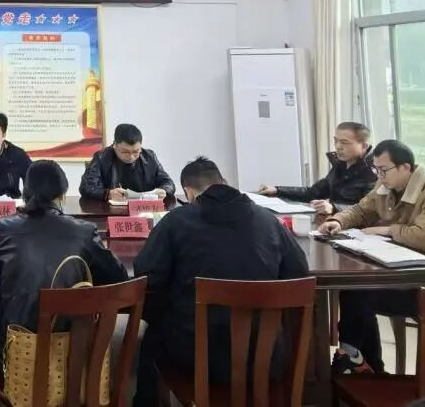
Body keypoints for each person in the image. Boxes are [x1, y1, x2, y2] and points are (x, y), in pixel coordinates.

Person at [132, 157, 309, 407]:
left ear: (188, 192)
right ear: (224, 182)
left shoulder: (176, 221)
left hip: (195, 357)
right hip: (265, 356)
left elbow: (146, 277)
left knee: (150, 337)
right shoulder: (268, 220)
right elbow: (299, 273)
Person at [0, 160, 128, 357]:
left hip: (16, 348)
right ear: (63, 195)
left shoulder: (6, 228)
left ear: (25, 194)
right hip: (72, 351)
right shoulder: (84, 232)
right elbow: (118, 277)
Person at [318, 139, 425, 374]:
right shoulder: (386, 186)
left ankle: (357, 361)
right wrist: (338, 221)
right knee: (357, 289)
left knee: (361, 293)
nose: (379, 176)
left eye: (384, 170)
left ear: (406, 167)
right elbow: (362, 209)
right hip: (410, 272)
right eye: (376, 170)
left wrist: (386, 230)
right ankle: (361, 361)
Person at [258, 121, 376, 214]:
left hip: (358, 229)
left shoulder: (375, 170)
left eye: (344, 142)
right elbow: (314, 193)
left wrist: (333, 208)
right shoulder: (341, 164)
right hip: (337, 222)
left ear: (363, 146)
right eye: (336, 141)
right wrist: (277, 190)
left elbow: (368, 210)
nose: (338, 146)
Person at [79, 123, 175, 202]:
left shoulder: (149, 157)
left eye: (136, 151)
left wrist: (163, 190)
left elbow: (168, 183)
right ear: (115, 145)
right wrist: (108, 194)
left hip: (144, 209)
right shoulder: (101, 157)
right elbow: (86, 188)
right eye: (125, 152)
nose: (131, 156)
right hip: (111, 210)